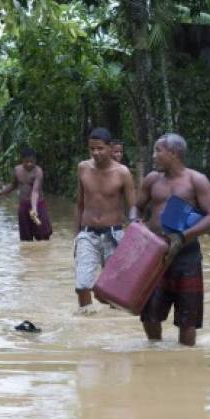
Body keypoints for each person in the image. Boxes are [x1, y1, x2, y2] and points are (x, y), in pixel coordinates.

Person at [134, 133, 210, 347]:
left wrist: (182, 236)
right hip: (155, 254)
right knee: (150, 313)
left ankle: (185, 361)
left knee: (188, 317)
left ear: (173, 153)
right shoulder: (152, 179)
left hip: (187, 256)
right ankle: (154, 351)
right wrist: (135, 223)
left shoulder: (196, 180)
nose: (154, 156)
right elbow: (136, 206)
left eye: (158, 151)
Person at [75, 127, 137, 313]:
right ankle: (86, 321)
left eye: (100, 148)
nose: (96, 153)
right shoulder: (83, 168)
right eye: (92, 149)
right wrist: (76, 236)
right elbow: (79, 203)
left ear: (110, 148)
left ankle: (112, 328)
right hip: (87, 234)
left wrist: (134, 231)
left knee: (114, 289)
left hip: (114, 234)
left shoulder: (123, 173)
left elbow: (133, 205)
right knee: (82, 284)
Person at [0, 146, 53, 241]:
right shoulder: (17, 170)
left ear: (35, 160)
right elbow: (13, 185)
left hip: (38, 205)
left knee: (43, 236)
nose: (29, 164)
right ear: (22, 160)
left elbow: (35, 191)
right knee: (26, 239)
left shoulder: (38, 171)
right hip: (24, 206)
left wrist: (34, 209)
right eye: (27, 162)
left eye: (32, 162)